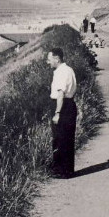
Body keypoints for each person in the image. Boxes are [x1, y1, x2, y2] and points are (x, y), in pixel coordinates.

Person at [47, 47, 78, 179]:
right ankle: (67, 170)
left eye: (49, 59)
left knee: (60, 139)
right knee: (67, 139)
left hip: (63, 106)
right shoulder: (68, 70)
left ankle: (61, 170)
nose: (47, 62)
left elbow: (60, 93)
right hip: (69, 104)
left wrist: (57, 113)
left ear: (57, 58)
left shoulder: (61, 72)